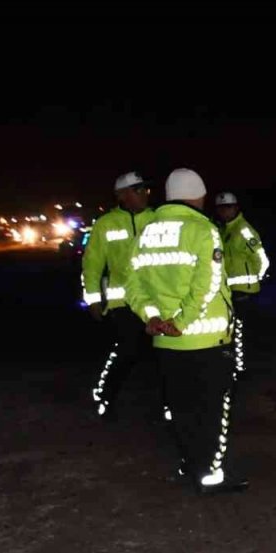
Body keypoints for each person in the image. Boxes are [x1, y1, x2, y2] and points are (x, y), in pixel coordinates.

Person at [126, 168, 244, 495]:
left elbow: (133, 285)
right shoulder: (202, 229)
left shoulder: (146, 233)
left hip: (165, 342)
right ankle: (211, 475)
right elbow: (207, 286)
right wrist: (181, 321)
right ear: (199, 194)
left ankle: (190, 465)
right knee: (212, 409)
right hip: (205, 339)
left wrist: (151, 319)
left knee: (181, 408)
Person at [81, 171, 156, 418]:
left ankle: (164, 406)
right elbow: (92, 264)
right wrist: (93, 300)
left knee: (161, 354)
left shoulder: (157, 219)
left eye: (143, 189)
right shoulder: (106, 224)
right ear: (121, 196)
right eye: (136, 190)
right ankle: (106, 396)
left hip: (157, 300)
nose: (143, 193)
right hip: (122, 302)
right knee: (129, 350)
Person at [212, 191, 270, 376]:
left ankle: (240, 367)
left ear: (236, 208)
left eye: (228, 207)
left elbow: (262, 259)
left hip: (245, 289)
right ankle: (237, 364)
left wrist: (256, 278)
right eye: (221, 208)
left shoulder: (244, 230)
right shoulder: (223, 230)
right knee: (233, 329)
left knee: (240, 331)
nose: (224, 212)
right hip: (229, 290)